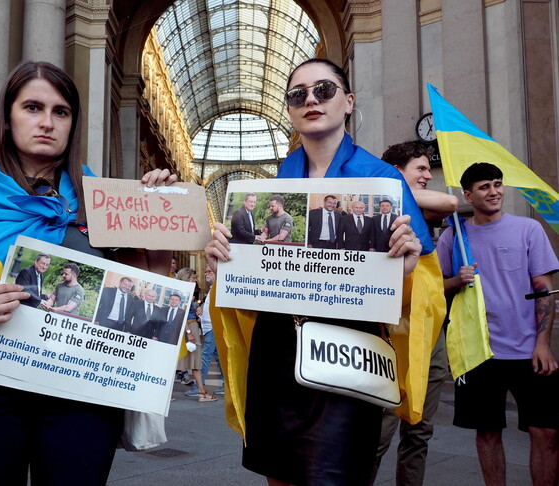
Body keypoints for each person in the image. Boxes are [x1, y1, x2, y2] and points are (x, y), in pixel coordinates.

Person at [0, 61, 176, 486]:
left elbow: (147, 285)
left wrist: (162, 213)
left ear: (72, 123)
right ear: (8, 117)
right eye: (32, 107)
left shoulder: (103, 198)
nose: (47, 122)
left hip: (83, 394)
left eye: (61, 111)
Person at [204, 58, 445, 485]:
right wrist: (223, 263)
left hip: (346, 352)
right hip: (277, 349)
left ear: (348, 101)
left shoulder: (383, 179)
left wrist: (406, 270)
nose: (311, 100)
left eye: (324, 90)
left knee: (336, 474)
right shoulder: (273, 183)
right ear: (291, 109)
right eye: (298, 94)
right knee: (276, 473)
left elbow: (424, 287)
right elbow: (255, 279)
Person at [437, 162, 559, 486]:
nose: (494, 192)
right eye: (484, 187)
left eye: (497, 184)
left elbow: (544, 290)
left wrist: (543, 343)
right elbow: (431, 290)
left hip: (528, 349)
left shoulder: (527, 229)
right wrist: (454, 281)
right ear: (467, 194)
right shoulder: (454, 236)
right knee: (487, 432)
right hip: (479, 351)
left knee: (546, 430)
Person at [370, 140, 459, 485]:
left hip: (430, 333)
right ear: (395, 172)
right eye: (420, 169)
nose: (427, 175)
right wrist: (389, 188)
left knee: (419, 433)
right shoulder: (378, 205)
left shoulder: (411, 203)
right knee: (379, 432)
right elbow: (450, 200)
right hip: (393, 332)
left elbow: (447, 204)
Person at [382, 141, 458, 222]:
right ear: (397, 170)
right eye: (421, 169)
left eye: (428, 170)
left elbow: (451, 202)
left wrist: (396, 193)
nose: (429, 176)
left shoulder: (423, 208)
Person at [175, 268, 217, 402]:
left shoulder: (188, 293)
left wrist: (198, 309)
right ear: (185, 279)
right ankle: (201, 392)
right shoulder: (183, 293)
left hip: (191, 327)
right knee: (185, 362)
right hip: (188, 328)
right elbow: (181, 314)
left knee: (196, 362)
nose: (195, 280)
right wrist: (189, 333)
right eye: (192, 278)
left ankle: (201, 391)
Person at [197, 264, 224, 395]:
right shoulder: (213, 288)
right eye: (205, 271)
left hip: (212, 326)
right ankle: (226, 384)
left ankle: (199, 386)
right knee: (218, 357)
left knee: (205, 355)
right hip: (209, 326)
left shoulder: (219, 288)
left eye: (209, 271)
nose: (206, 273)